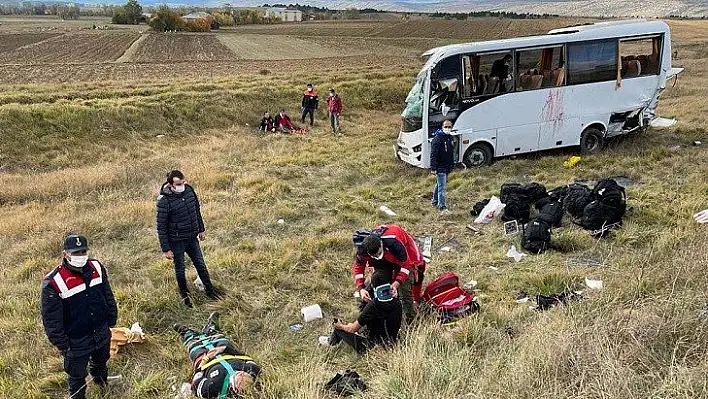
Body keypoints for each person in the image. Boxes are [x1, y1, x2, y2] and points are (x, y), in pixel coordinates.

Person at [41, 234, 118, 399]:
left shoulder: (97, 267)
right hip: (76, 340)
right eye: (76, 253)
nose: (81, 256)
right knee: (76, 376)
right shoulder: (54, 282)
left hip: (101, 331)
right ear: (66, 254)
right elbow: (51, 320)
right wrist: (63, 345)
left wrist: (111, 318)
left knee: (101, 362)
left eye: (83, 251)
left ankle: (102, 385)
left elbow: (107, 293)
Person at [156, 170, 219, 308]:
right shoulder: (164, 200)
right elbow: (161, 226)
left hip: (192, 238)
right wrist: (166, 249)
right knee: (180, 269)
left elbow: (196, 210)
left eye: (183, 182)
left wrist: (201, 229)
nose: (182, 185)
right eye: (179, 184)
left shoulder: (189, 191)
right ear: (171, 185)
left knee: (201, 265)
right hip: (177, 241)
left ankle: (210, 291)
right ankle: (185, 298)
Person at [174, 312, 261, 398]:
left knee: (195, 348)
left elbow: (196, 383)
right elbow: (247, 358)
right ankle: (212, 328)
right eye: (243, 374)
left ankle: (187, 334)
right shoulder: (253, 370)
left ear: (233, 388)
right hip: (226, 352)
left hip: (207, 362)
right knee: (221, 340)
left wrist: (204, 362)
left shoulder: (211, 389)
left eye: (238, 379)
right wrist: (225, 349)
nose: (241, 374)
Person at [351, 224, 425, 322]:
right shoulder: (364, 249)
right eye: (374, 255)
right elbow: (359, 267)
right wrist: (361, 288)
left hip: (405, 251)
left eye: (378, 253)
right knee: (378, 278)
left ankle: (411, 319)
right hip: (386, 254)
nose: (378, 256)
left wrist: (396, 284)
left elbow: (406, 267)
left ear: (381, 244)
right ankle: (371, 307)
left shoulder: (394, 243)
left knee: (405, 287)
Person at [329, 271, 402, 354]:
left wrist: (341, 326)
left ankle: (330, 343)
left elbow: (352, 329)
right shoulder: (398, 303)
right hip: (392, 344)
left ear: (373, 287)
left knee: (339, 329)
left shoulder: (373, 305)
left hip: (373, 348)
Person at [430, 120, 455, 213]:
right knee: (442, 187)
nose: (448, 128)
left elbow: (451, 153)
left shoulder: (450, 138)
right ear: (442, 127)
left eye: (449, 127)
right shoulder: (437, 139)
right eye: (446, 126)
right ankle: (442, 207)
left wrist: (452, 165)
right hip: (440, 167)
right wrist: (433, 167)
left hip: (447, 166)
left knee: (439, 185)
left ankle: (435, 201)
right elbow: (433, 154)